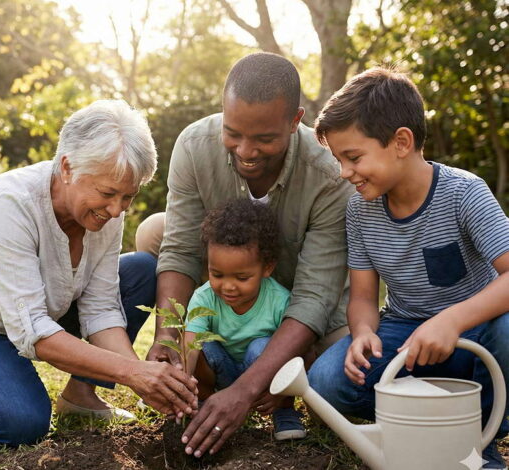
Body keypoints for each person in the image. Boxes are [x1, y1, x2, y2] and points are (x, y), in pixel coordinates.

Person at [0, 99, 198, 447]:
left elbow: (100, 308)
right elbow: (34, 330)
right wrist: (135, 373)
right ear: (67, 167)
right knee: (22, 423)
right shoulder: (10, 203)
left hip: (45, 312)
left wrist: (146, 379)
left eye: (128, 196)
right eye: (108, 193)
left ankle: (80, 396)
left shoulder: (106, 210)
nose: (116, 210)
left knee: (142, 270)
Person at [136, 52, 354, 457]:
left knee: (336, 386)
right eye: (233, 132)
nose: (246, 150)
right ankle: (210, 372)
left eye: (265, 138)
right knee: (154, 231)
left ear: (294, 121)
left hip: (297, 295)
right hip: (228, 283)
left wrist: (246, 389)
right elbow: (182, 248)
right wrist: (169, 335)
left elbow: (315, 296)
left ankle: (281, 370)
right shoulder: (194, 146)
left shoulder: (328, 172)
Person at [307, 67, 509, 469]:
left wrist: (451, 321)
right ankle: (425, 418)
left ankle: (475, 444)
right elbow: (363, 296)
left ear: (401, 142)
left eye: (353, 157)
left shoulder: (464, 192)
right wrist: (363, 332)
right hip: (405, 337)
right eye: (338, 160)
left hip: (475, 335)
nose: (345, 172)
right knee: (325, 381)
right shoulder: (360, 211)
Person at [183, 198, 307, 441]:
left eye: (241, 278)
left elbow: (298, 354)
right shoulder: (204, 297)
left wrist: (281, 393)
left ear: (267, 268)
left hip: (265, 377)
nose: (228, 287)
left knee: (264, 346)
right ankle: (204, 403)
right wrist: (182, 385)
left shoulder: (279, 300)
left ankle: (284, 410)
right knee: (201, 345)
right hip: (223, 372)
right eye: (217, 274)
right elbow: (189, 347)